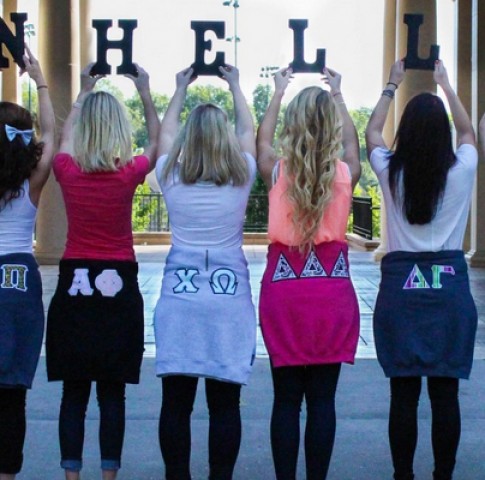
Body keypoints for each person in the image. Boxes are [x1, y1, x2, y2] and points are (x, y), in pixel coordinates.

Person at [365, 60, 478, 480]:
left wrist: (392, 84)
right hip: (449, 292)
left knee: (404, 395)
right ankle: (443, 475)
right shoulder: (462, 171)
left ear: (406, 132)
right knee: (445, 395)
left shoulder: (390, 171)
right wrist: (446, 86)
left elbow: (371, 133)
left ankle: (403, 475)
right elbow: (468, 134)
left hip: (401, 291)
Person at [45, 63, 159, 480]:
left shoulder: (66, 170)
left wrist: (82, 94)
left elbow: (63, 140)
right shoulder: (128, 174)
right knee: (113, 394)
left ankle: (71, 476)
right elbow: (158, 143)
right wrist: (145, 92)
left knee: (73, 394)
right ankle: (109, 475)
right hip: (119, 284)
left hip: (74, 285)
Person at [256, 67, 361, 480]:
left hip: (284, 289)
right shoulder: (343, 173)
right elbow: (353, 145)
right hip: (331, 291)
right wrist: (338, 95)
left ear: (293, 124)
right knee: (322, 401)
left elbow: (262, 142)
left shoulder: (278, 171)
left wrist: (277, 92)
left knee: (285, 400)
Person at [154, 64, 257, 480]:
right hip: (229, 303)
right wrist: (236, 84)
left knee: (175, 404)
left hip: (179, 301)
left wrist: (179, 88)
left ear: (187, 140)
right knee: (225, 405)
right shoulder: (242, 176)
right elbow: (248, 130)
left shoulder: (169, 176)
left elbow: (164, 134)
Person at [0, 47, 55, 480]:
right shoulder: (32, 181)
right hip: (19, 284)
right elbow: (52, 135)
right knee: (12, 395)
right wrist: (40, 81)